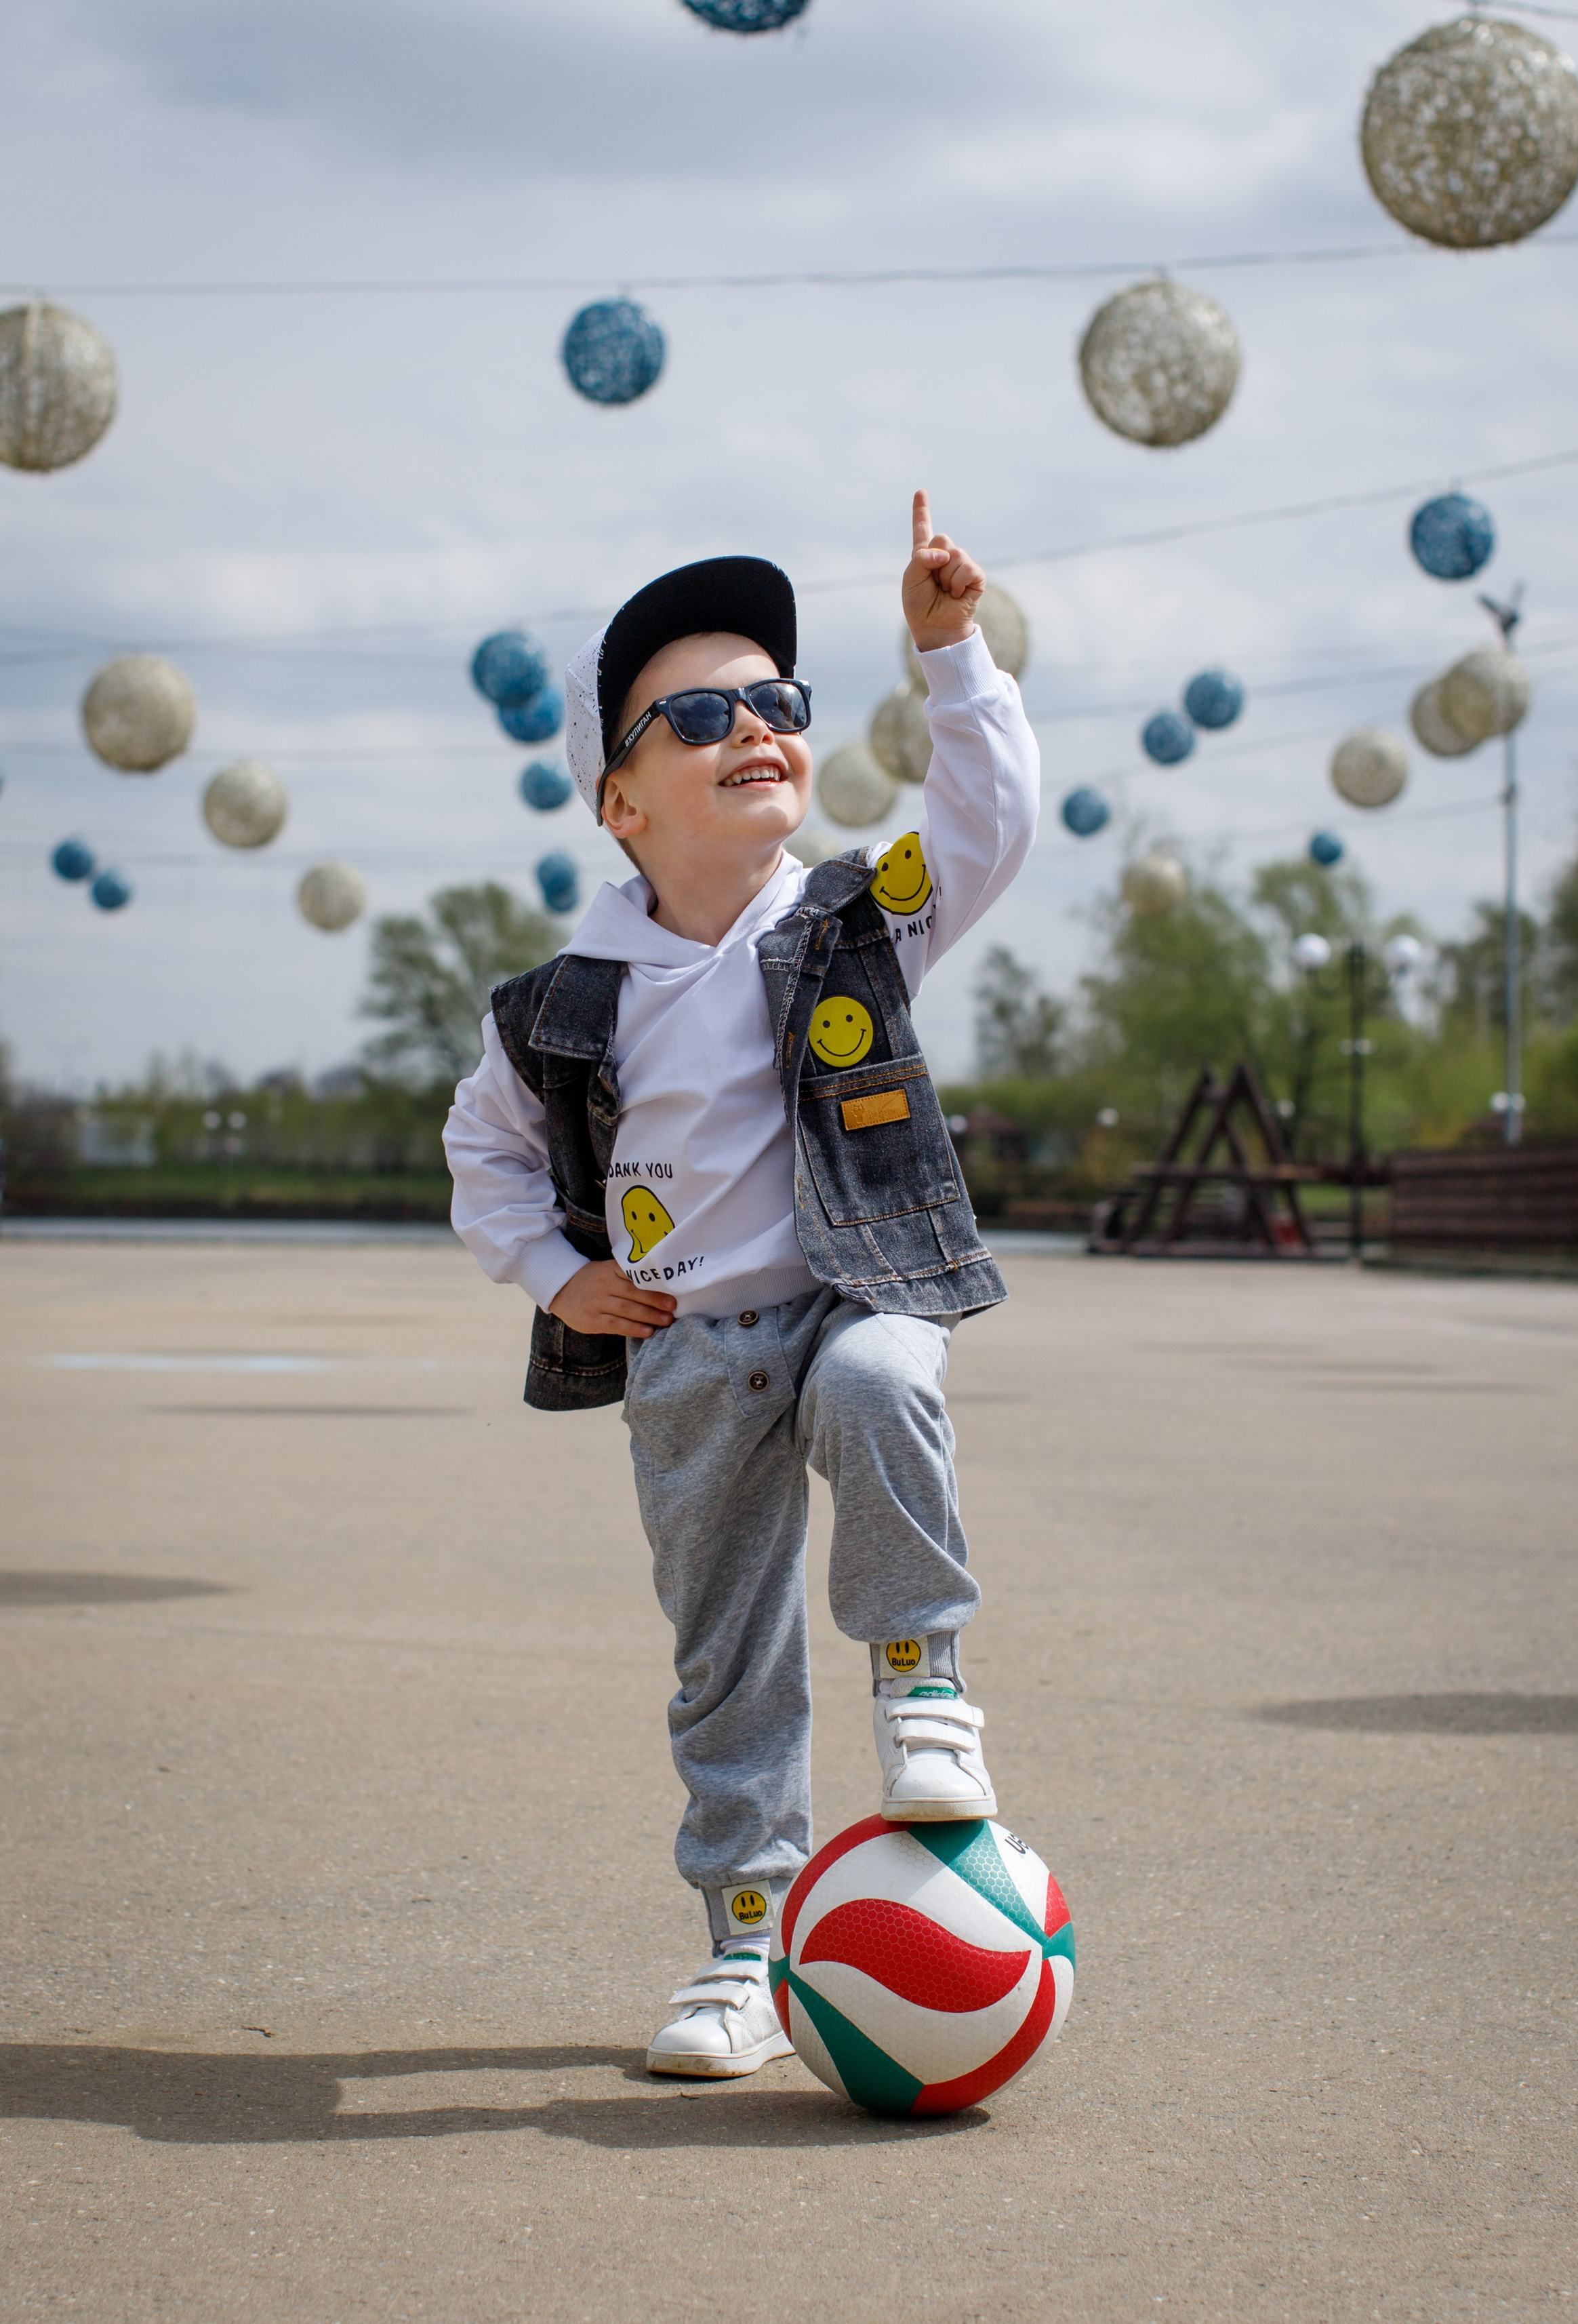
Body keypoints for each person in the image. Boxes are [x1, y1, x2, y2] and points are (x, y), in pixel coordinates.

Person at [444, 494, 1040, 2077]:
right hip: (689, 1350)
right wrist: (559, 1275)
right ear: (622, 802)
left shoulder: (858, 920)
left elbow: (988, 822)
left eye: (775, 700)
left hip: (855, 1292)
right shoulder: (563, 1003)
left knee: (882, 1380)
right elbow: (482, 1156)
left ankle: (925, 1685)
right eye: (698, 713)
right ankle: (748, 1948)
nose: (753, 727)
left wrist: (946, 650)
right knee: (727, 1653)